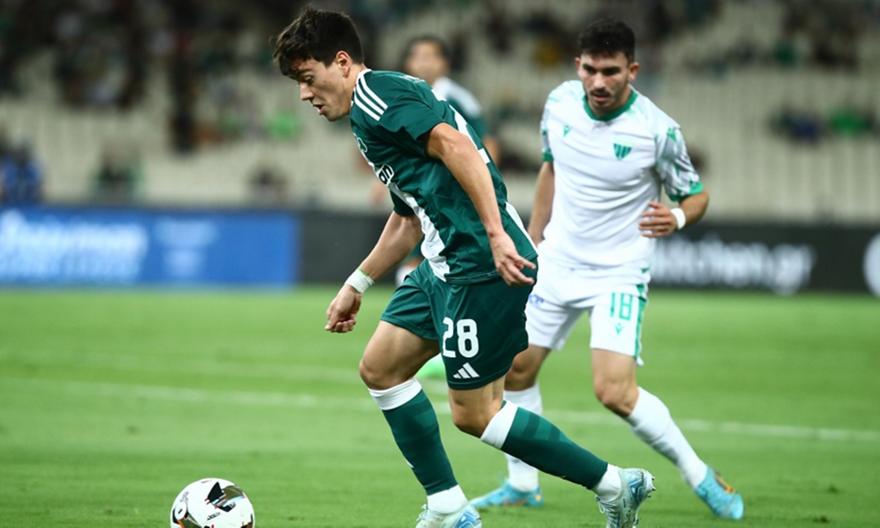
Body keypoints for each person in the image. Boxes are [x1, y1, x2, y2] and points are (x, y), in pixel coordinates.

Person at [273, 8, 654, 528]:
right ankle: (448, 506)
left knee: (475, 414)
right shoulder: (370, 110)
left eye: (307, 78)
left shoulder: (377, 97)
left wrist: (496, 235)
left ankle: (615, 485)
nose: (304, 94)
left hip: (478, 263)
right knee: (380, 369)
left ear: (341, 62)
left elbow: (458, 147)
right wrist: (357, 282)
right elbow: (408, 216)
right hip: (442, 263)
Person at [470, 18, 744, 522]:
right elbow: (551, 168)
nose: (598, 81)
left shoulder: (657, 131)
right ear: (578, 65)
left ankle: (699, 473)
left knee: (614, 392)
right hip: (557, 262)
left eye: (611, 71)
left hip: (618, 271)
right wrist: (533, 239)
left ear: (632, 71)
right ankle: (523, 485)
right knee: (514, 370)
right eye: (590, 70)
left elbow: (696, 194)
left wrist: (679, 216)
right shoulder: (558, 103)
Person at [398, 35, 500, 380]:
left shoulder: (457, 97)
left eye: (430, 56)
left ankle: (452, 346)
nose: (423, 63)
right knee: (414, 267)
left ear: (444, 63)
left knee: (447, 269)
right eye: (417, 56)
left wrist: (485, 186)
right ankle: (437, 342)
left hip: (455, 201)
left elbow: (485, 142)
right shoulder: (405, 94)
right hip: (425, 201)